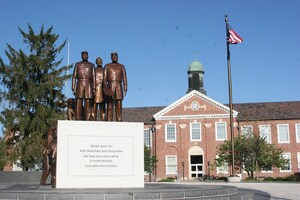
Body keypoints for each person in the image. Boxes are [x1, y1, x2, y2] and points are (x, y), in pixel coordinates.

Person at [104, 52, 127, 121]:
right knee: (110, 104)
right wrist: (105, 88)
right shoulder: (107, 66)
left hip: (119, 85)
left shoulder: (121, 66)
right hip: (110, 85)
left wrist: (125, 88)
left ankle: (119, 119)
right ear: (111, 58)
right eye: (113, 56)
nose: (114, 58)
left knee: (119, 103)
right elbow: (104, 78)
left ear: (118, 57)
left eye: (116, 56)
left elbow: (124, 78)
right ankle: (109, 119)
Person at [72, 51, 95, 120]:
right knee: (79, 100)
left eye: (86, 55)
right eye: (83, 55)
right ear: (81, 56)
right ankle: (78, 117)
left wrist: (94, 88)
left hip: (88, 84)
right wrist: (73, 87)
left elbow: (94, 77)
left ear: (88, 56)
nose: (85, 56)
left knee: (87, 101)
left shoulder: (91, 65)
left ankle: (87, 118)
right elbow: (74, 76)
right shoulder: (77, 65)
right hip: (80, 83)